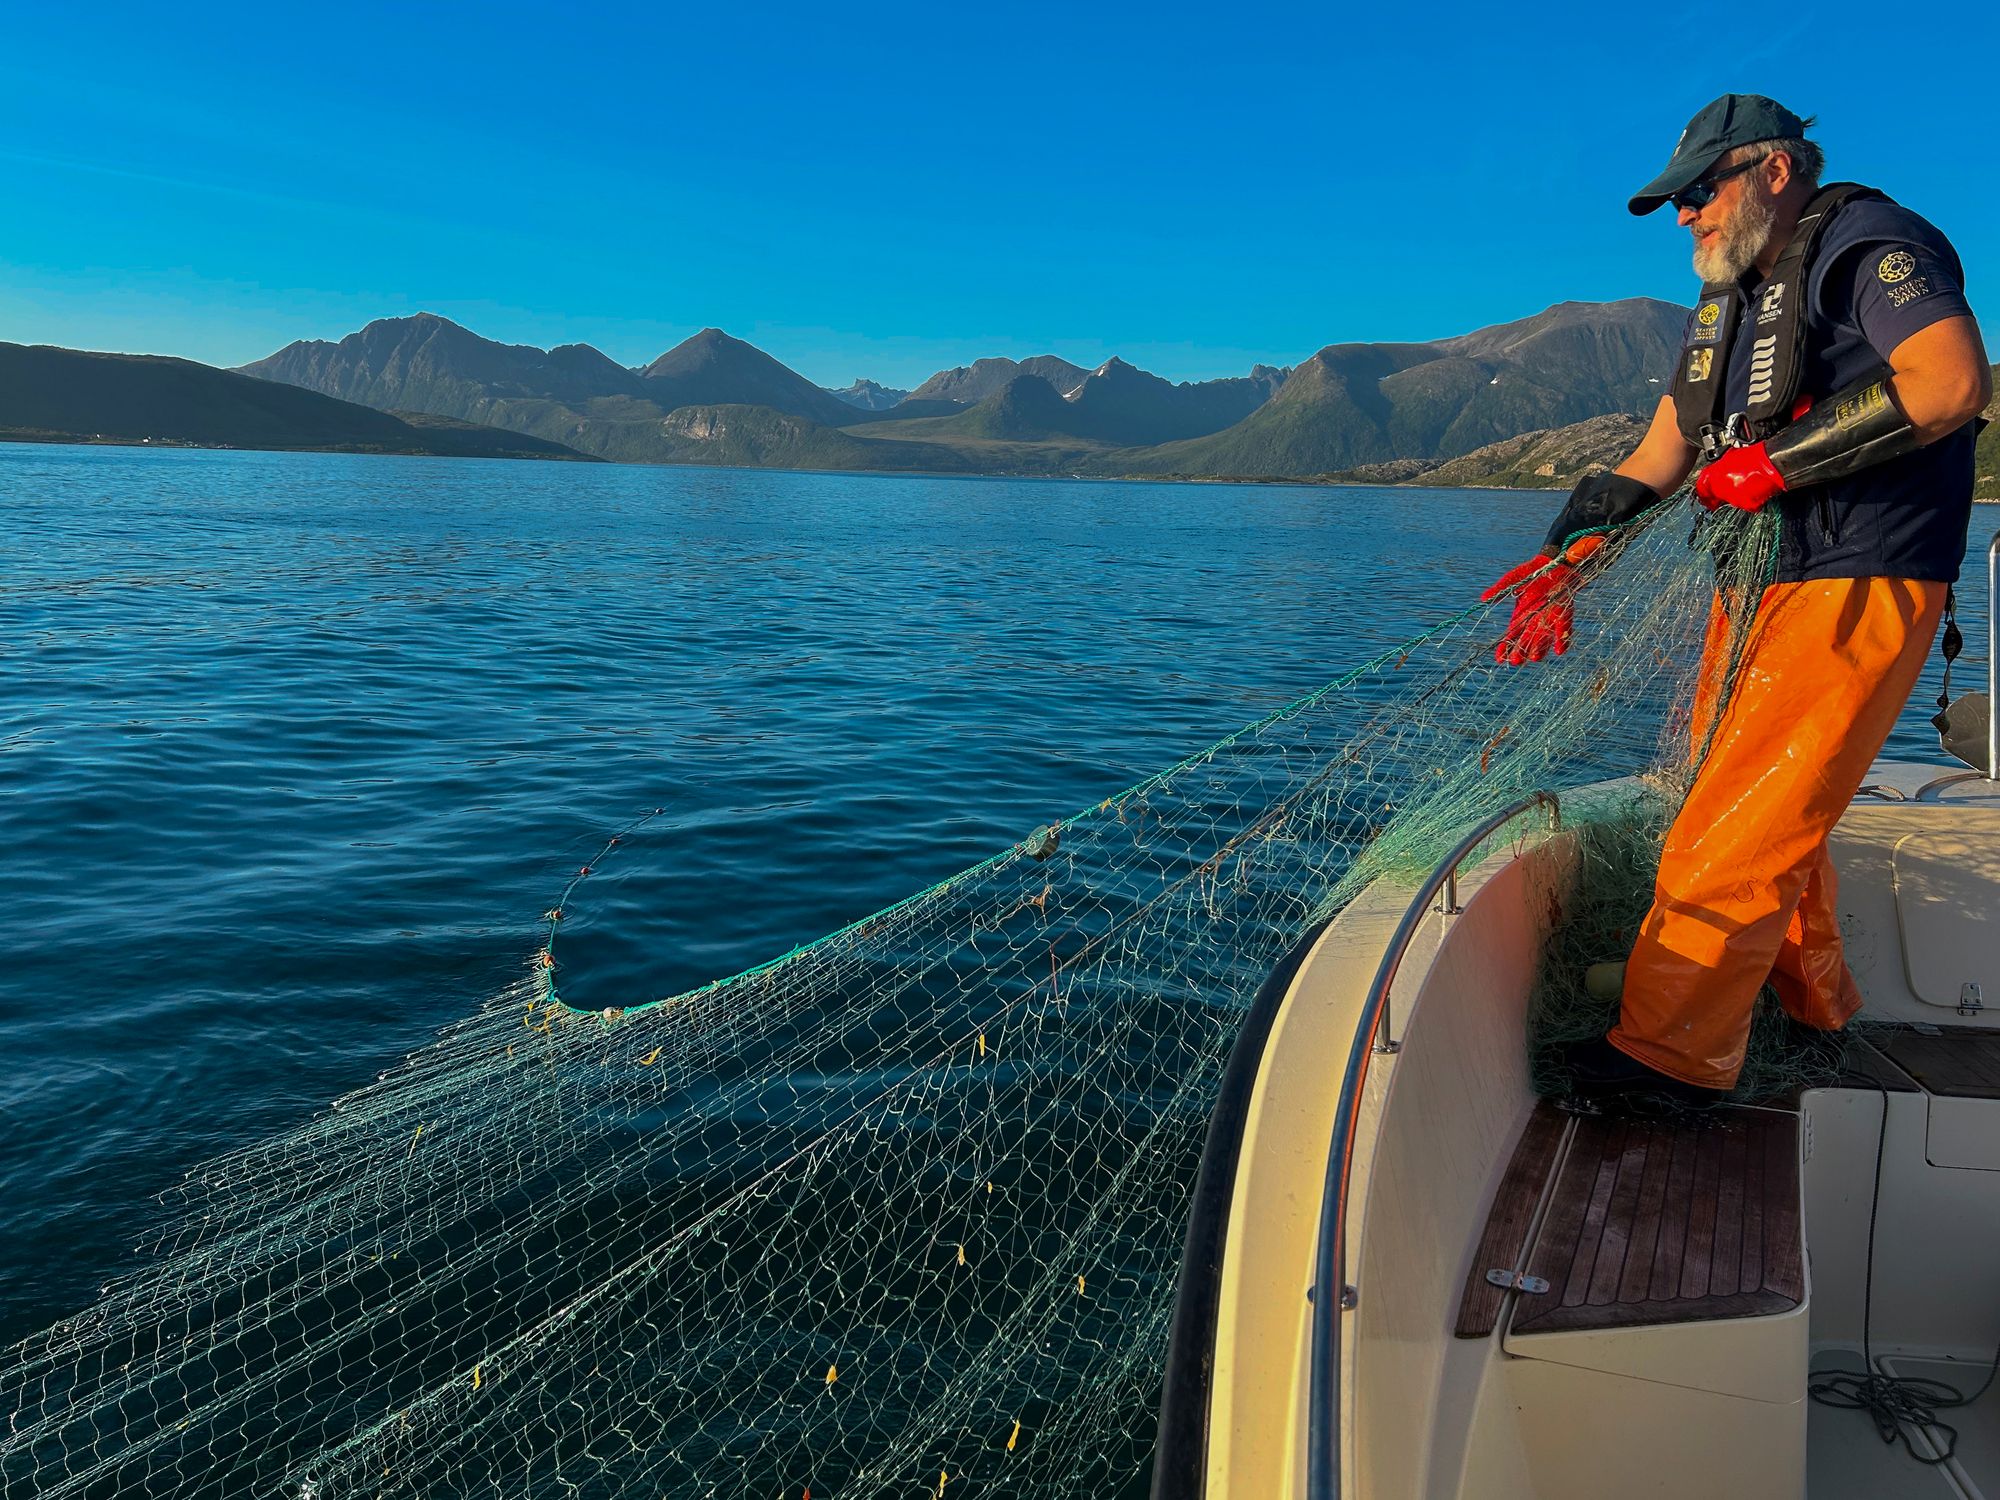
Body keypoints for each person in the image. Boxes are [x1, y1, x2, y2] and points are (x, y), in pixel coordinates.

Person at [1484, 93, 1992, 1098]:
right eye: (1675, 201)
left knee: (1737, 820)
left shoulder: (1866, 243)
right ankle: (1808, 1006)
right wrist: (1574, 553)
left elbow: (1944, 384)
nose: (1684, 216)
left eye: (1697, 190)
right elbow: (1664, 451)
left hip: (1858, 575)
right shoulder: (1725, 300)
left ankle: (1670, 1060)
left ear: (1771, 169)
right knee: (1749, 799)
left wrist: (1774, 467)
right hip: (1757, 582)